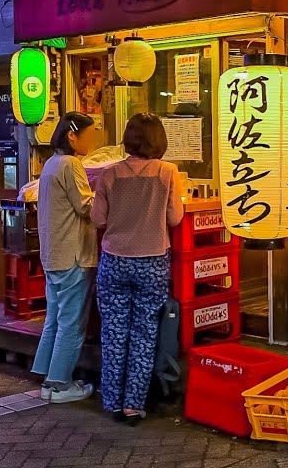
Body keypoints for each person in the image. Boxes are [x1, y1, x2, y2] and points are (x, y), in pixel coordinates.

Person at [90, 113, 183, 425]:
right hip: (153, 261)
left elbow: (98, 219)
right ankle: (133, 406)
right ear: (159, 140)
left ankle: (113, 402)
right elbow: (174, 218)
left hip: (114, 260)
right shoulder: (168, 172)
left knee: (114, 332)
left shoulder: (109, 174)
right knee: (145, 333)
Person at [32, 111, 98, 404]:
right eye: (89, 134)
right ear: (72, 135)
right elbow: (86, 207)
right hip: (73, 254)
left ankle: (47, 378)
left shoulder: (51, 163)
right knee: (71, 322)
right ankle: (60, 385)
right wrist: (107, 193)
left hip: (53, 252)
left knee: (55, 318)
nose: (92, 140)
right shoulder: (71, 164)